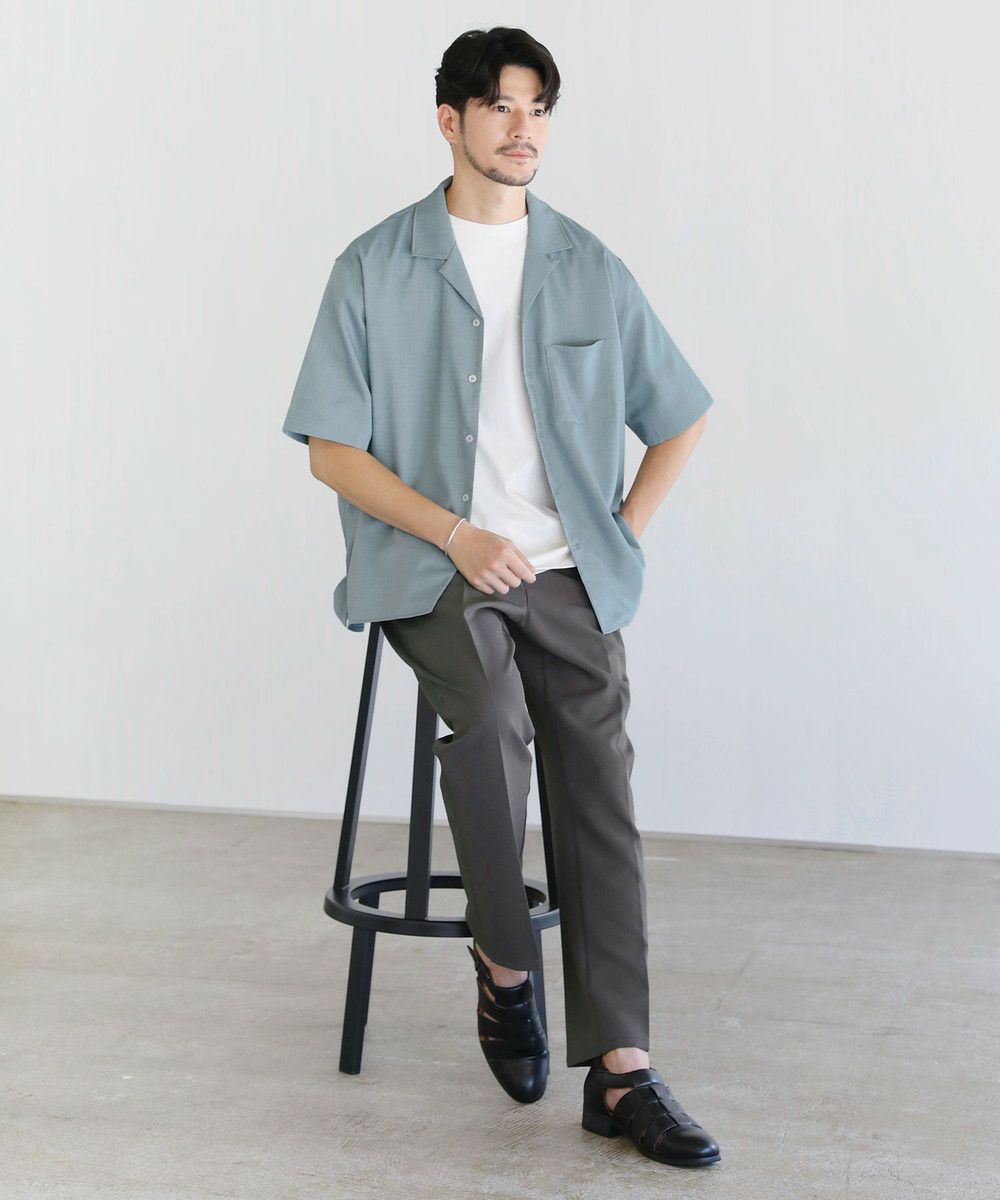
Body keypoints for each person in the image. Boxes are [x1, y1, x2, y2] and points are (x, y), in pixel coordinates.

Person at [282, 26, 720, 1169]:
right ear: (451, 121)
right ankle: (505, 964)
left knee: (600, 772)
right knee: (488, 716)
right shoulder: (374, 266)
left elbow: (679, 416)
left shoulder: (588, 266)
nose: (524, 130)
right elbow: (331, 449)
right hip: (435, 566)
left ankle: (621, 1070)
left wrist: (615, 536)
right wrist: (457, 534)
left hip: (564, 571)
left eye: (539, 109)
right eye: (501, 108)